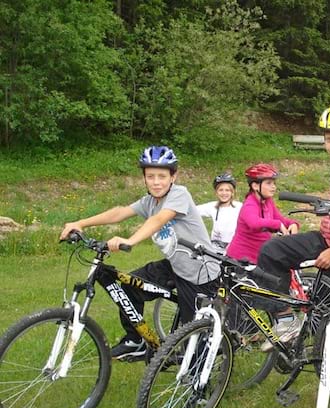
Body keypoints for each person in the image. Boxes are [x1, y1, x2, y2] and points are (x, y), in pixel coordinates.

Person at [60, 146, 220, 361]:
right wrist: (81, 223)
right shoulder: (149, 202)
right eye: (150, 176)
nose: (156, 182)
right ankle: (135, 341)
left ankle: (200, 386)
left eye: (162, 176)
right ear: (144, 178)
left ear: (174, 176)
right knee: (128, 286)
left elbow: (159, 219)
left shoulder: (179, 194)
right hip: (175, 265)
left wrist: (130, 240)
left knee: (194, 337)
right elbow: (120, 212)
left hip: (199, 271)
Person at [257, 105, 330, 350]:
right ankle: (285, 319)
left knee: (324, 321)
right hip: (325, 238)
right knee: (272, 252)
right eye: (328, 140)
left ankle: (316, 356)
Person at [226, 163, 299, 265]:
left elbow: (279, 218)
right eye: (268, 183)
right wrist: (277, 224)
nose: (273, 187)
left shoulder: (268, 201)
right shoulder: (250, 204)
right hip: (241, 260)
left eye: (274, 183)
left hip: (260, 256)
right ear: (255, 186)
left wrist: (292, 224)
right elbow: (254, 223)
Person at [197, 172, 242, 251]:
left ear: (232, 192)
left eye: (227, 190)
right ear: (216, 192)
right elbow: (194, 210)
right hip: (216, 247)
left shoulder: (239, 207)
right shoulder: (212, 206)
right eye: (221, 190)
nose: (224, 193)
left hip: (233, 246)